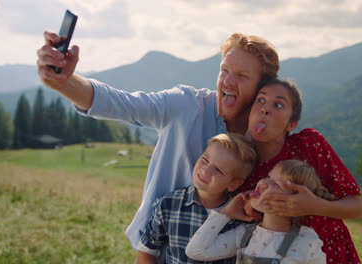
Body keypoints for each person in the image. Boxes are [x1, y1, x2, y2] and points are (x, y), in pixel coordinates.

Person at [36, 32, 280, 250]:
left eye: (241, 76)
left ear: (263, 87)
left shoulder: (268, 137)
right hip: (157, 251)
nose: (227, 82)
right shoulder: (185, 104)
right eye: (224, 70)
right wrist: (65, 80)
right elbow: (121, 104)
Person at [238, 78, 362, 264]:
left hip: (332, 253)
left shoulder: (310, 145)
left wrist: (314, 206)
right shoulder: (243, 163)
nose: (265, 109)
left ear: (292, 124)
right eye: (261, 100)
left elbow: (357, 208)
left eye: (278, 104)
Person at [137, 133, 257, 263]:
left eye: (218, 170)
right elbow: (147, 249)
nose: (205, 171)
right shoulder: (168, 204)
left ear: (234, 184)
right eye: (205, 159)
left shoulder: (239, 217)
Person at [186, 159, 332, 264]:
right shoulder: (246, 234)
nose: (263, 182)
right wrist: (225, 213)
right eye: (268, 177)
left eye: (275, 184)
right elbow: (196, 251)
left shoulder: (306, 242)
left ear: (295, 202)